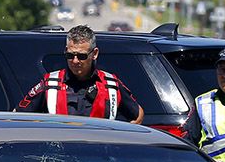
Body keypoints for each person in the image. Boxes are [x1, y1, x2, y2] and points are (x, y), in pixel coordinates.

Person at [16, 25, 144, 123]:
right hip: (60, 155)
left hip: (100, 155)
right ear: (66, 51)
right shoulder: (50, 84)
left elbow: (138, 115)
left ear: (94, 54)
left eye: (82, 56)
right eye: (70, 55)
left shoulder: (111, 84)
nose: (75, 61)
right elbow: (18, 116)